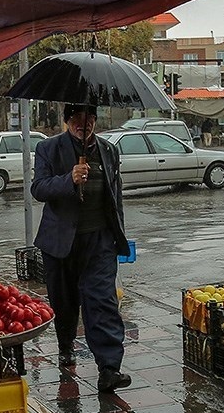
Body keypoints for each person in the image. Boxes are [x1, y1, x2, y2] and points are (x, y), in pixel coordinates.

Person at [31, 103, 131, 393]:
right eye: (76, 118)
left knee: (102, 301)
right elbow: (38, 189)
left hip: (99, 240)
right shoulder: (48, 149)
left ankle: (109, 368)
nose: (82, 123)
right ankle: (65, 346)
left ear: (95, 120)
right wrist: (69, 179)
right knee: (64, 301)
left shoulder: (109, 151)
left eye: (88, 118)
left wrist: (118, 236)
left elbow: (116, 196)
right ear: (67, 121)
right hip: (60, 242)